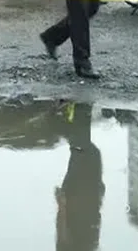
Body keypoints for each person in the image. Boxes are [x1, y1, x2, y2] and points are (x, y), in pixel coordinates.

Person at [54, 103, 104, 251]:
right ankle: (76, 112)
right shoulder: (89, 245)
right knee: (86, 151)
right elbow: (95, 223)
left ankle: (79, 109)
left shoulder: (71, 247)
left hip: (78, 198)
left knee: (83, 150)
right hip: (86, 199)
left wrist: (62, 204)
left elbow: (62, 232)